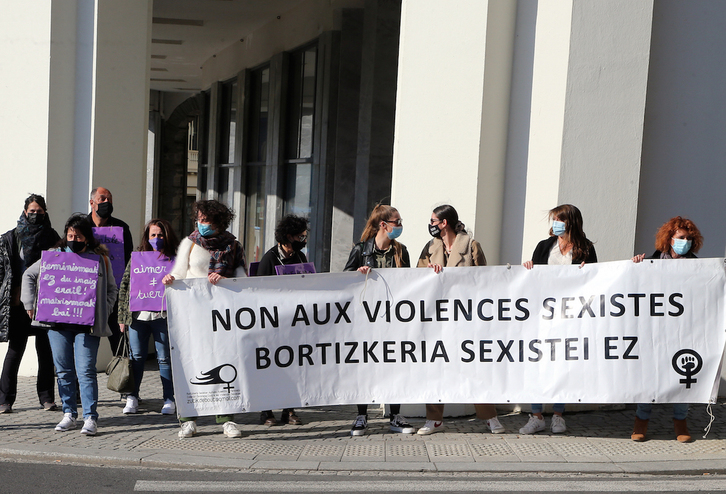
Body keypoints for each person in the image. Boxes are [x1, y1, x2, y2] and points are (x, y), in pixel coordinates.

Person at [22, 214, 118, 435]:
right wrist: (30, 303)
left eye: (79, 236)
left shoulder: (99, 259)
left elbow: (111, 289)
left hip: (87, 326)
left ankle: (90, 417)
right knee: (64, 371)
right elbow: (29, 275)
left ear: (87, 238)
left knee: (86, 371)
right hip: (58, 323)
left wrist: (104, 309)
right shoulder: (54, 257)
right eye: (70, 235)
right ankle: (69, 414)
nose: (74, 239)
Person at [415, 204, 505, 435]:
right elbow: (416, 278)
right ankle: (434, 419)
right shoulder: (430, 247)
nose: (431, 225)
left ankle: (490, 417)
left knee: (474, 367)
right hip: (438, 318)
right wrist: (429, 272)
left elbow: (485, 279)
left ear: (444, 223)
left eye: (433, 221)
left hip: (466, 318)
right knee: (436, 366)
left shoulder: (471, 246)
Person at [162, 200, 247, 439]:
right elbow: (179, 272)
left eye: (205, 220)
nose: (201, 224)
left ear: (218, 222)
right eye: (198, 219)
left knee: (224, 362)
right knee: (190, 363)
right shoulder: (189, 243)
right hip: (192, 314)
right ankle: (188, 419)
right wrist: (171, 279)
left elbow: (241, 275)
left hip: (221, 314)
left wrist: (225, 280)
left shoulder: (232, 245)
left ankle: (227, 419)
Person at [519, 204, 597, 435]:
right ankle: (536, 415)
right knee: (537, 363)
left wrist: (587, 271)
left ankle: (558, 415)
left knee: (563, 364)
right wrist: (528, 268)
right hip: (542, 315)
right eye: (553, 219)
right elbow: (532, 278)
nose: (555, 224)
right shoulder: (544, 246)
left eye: (559, 219)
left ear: (571, 222)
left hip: (569, 316)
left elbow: (593, 280)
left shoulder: (585, 248)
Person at [343, 204, 416, 436]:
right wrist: (358, 274)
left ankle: (395, 414)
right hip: (367, 320)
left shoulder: (401, 251)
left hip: (394, 319)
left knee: (395, 365)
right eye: (397, 222)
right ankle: (362, 415)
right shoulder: (361, 249)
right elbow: (344, 281)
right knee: (365, 366)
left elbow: (412, 281)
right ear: (383, 225)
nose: (400, 226)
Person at [630, 216, 703, 443]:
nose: (686, 242)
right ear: (669, 239)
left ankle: (680, 421)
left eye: (689, 239)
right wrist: (637, 266)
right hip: (657, 330)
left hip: (684, 330)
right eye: (681, 238)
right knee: (651, 374)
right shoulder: (653, 261)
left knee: (683, 376)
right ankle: (641, 420)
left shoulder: (697, 266)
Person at [0, 194, 60, 413]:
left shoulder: (52, 237)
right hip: (18, 305)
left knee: (46, 352)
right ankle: (5, 400)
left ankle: (46, 398)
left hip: (45, 304)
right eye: (32, 211)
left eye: (40, 211)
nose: (35, 215)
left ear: (45, 212)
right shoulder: (10, 238)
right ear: (25, 211)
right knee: (15, 351)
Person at [118, 219, 180, 415]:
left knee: (164, 358)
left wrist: (174, 280)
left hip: (163, 316)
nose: (156, 239)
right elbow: (124, 286)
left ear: (167, 236)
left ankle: (169, 399)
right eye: (153, 235)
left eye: (160, 235)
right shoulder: (137, 259)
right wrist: (121, 317)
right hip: (138, 317)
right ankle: (132, 397)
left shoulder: (174, 260)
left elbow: (185, 285)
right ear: (147, 237)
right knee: (136, 357)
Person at [256, 214, 308, 426]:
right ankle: (266, 411)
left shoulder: (301, 257)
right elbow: (258, 291)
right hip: (272, 322)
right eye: (300, 236)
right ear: (288, 236)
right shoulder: (269, 258)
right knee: (269, 367)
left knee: (293, 366)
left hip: (294, 321)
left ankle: (289, 409)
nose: (303, 240)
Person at [88, 187, 133, 356]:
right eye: (102, 199)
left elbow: (129, 261)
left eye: (110, 199)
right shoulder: (82, 227)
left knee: (120, 345)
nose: (107, 202)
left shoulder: (121, 228)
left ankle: (121, 380)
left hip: (115, 294)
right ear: (92, 203)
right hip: (88, 294)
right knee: (87, 347)